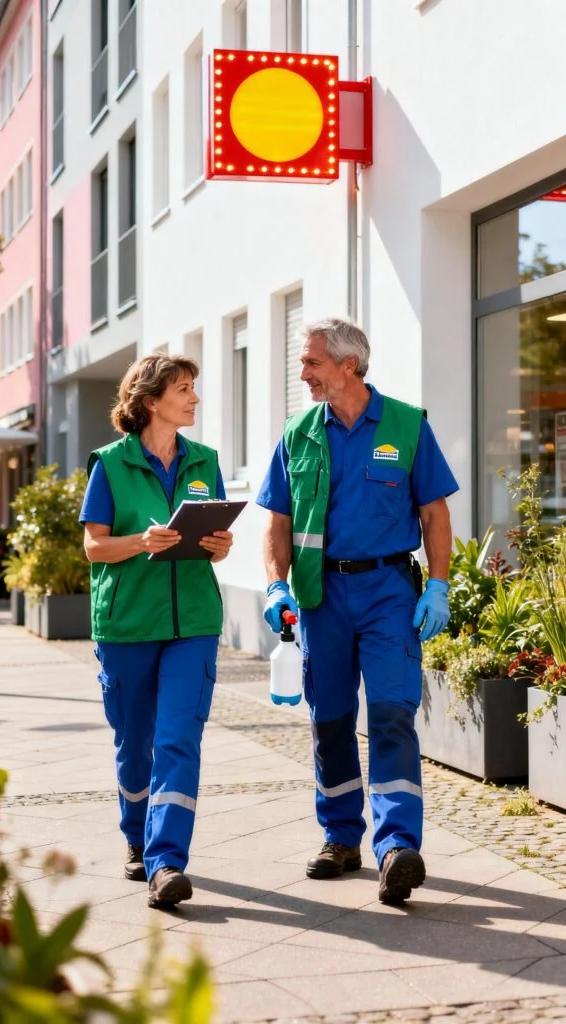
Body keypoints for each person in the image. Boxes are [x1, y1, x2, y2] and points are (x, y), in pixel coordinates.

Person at [257, 318, 458, 905]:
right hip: (321, 597)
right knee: (330, 719)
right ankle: (341, 836)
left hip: (389, 592)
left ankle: (397, 846)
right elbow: (278, 521)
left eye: (312, 362)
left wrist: (439, 585)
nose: (303, 374)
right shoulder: (298, 434)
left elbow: (435, 515)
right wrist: (276, 587)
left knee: (393, 713)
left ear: (349, 364)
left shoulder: (406, 424)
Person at [80, 353, 233, 909]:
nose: (194, 398)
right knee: (134, 742)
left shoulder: (205, 461)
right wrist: (140, 543)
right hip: (126, 624)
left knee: (178, 739)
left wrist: (220, 544)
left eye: (194, 387)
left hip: (193, 621)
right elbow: (94, 545)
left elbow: (213, 536)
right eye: (184, 389)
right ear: (150, 401)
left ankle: (166, 860)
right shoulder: (111, 464)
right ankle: (135, 836)